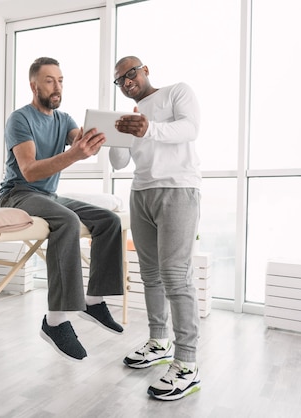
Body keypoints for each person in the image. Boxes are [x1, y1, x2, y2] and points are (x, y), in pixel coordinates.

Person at [0, 57, 125, 362]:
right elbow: (28, 171)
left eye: (61, 80)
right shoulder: (20, 119)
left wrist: (108, 135)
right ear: (34, 85)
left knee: (108, 220)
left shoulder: (63, 119)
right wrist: (74, 155)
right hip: (18, 193)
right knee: (67, 221)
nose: (57, 87)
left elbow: (79, 140)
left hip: (48, 196)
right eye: (49, 81)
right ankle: (55, 321)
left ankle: (93, 302)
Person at [109, 56, 201, 401]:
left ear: (145, 70)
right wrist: (111, 137)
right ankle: (160, 341)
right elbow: (120, 162)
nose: (127, 80)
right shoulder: (129, 118)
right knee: (150, 275)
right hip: (140, 193)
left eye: (131, 73)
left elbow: (190, 129)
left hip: (178, 189)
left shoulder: (178, 92)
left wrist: (148, 128)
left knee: (177, 276)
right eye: (120, 80)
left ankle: (188, 364)